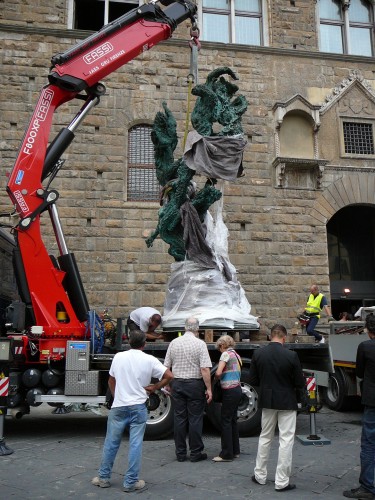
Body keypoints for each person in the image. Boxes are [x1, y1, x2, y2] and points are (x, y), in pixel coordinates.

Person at [92, 329, 173, 493]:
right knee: (135, 444)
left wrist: (116, 396)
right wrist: (155, 387)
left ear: (129, 342)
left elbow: (111, 380)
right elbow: (169, 375)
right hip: (138, 406)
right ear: (144, 343)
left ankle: (103, 478)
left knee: (111, 443)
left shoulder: (118, 357)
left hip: (119, 406)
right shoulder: (149, 359)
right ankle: (130, 482)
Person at [249, 324, 306, 492]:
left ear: (270, 336)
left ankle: (259, 475)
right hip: (287, 400)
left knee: (265, 437)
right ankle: (281, 481)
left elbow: (252, 380)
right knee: (286, 440)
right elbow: (299, 382)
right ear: (284, 337)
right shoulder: (291, 355)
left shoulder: (259, 353)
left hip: (267, 400)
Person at [164, 316, 212, 462]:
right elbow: (204, 368)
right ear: (197, 329)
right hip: (194, 384)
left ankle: (180, 453)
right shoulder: (200, 344)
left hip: (177, 383)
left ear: (184, 327)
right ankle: (196, 452)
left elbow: (166, 366)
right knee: (195, 418)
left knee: (179, 418)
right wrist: (209, 388)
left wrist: (166, 384)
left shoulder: (174, 343)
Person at [343, 313, 375, 500]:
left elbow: (360, 371)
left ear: (368, 330)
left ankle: (368, 487)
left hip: (372, 400)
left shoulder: (365, 347)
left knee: (369, 444)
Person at [212, 335, 242, 462]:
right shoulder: (237, 355)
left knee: (225, 421)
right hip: (237, 389)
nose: (219, 349)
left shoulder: (225, 355)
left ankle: (226, 453)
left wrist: (215, 379)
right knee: (233, 420)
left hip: (229, 390)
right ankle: (235, 450)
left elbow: (218, 372)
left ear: (222, 345)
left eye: (219, 347)